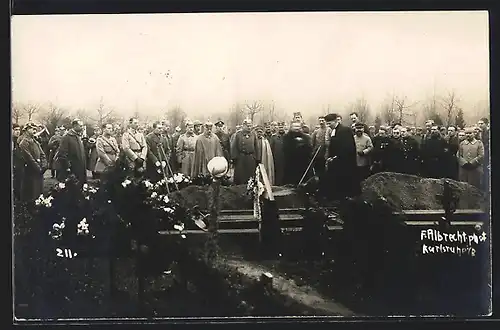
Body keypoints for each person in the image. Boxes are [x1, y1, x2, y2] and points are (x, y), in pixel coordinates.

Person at [323, 113, 358, 199]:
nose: (328, 126)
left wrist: (336, 157)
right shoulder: (334, 131)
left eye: (329, 123)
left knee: (345, 182)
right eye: (327, 124)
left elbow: (348, 147)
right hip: (336, 161)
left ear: (335, 121)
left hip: (345, 162)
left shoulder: (345, 130)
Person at [18, 122, 47, 203]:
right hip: (31, 171)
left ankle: (38, 204)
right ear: (26, 130)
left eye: (35, 129)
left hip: (39, 171)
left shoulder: (35, 141)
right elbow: (29, 158)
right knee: (31, 192)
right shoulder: (24, 143)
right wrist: (38, 168)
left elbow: (42, 154)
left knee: (38, 191)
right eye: (32, 129)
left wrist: (44, 165)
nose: (34, 131)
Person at [56, 119, 88, 185]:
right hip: (72, 170)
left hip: (80, 169)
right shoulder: (67, 137)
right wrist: (68, 167)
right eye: (80, 126)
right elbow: (62, 154)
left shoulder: (78, 136)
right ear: (75, 126)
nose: (82, 128)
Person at [282, 121, 313, 185]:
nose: (297, 128)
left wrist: (302, 145)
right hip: (291, 163)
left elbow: (310, 148)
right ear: (291, 127)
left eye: (298, 126)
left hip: (303, 163)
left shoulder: (306, 137)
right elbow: (285, 149)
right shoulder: (286, 137)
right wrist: (295, 143)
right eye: (295, 126)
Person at [230, 119, 261, 185]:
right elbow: (234, 147)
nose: (249, 127)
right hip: (241, 158)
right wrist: (234, 158)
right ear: (243, 126)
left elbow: (256, 147)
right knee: (240, 176)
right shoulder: (238, 134)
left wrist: (257, 159)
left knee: (251, 176)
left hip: (251, 158)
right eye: (248, 126)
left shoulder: (253, 134)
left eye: (250, 126)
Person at [269, 121, 285, 186]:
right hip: (276, 160)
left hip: (285, 160)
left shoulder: (287, 137)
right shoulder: (274, 137)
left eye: (282, 127)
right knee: (277, 175)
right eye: (280, 127)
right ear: (277, 128)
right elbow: (270, 150)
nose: (281, 128)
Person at [12, 124, 24, 202]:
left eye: (19, 130)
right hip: (14, 166)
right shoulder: (12, 141)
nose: (17, 132)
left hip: (19, 165)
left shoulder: (18, 140)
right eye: (15, 130)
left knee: (19, 183)